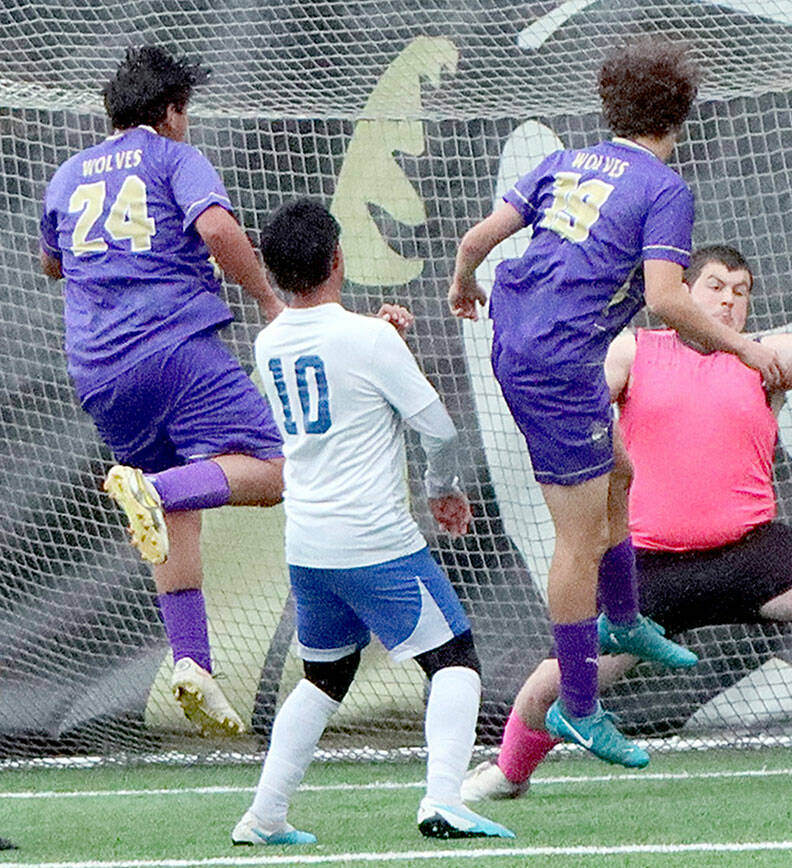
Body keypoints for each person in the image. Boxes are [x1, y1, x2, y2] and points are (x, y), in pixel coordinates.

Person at [461, 240, 792, 799]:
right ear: (683, 291)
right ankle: (509, 773)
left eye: (741, 292)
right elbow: (587, 389)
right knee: (553, 687)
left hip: (748, 551)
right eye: (715, 286)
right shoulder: (635, 351)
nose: (729, 300)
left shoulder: (762, 359)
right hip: (645, 568)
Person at [447, 39, 784, 769]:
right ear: (680, 118)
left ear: (610, 106)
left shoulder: (566, 161)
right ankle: (578, 704)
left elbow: (477, 238)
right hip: (558, 365)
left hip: (521, 335)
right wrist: (745, 348)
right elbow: (665, 298)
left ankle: (625, 618)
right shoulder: (664, 187)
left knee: (620, 476)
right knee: (576, 541)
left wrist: (463, 283)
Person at [232, 198, 513, 845]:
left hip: (308, 546)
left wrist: (384, 340)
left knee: (325, 676)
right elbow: (437, 428)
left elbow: (338, 381)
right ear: (337, 259)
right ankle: (443, 799)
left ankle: (265, 815)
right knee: (455, 661)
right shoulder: (368, 338)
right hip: (374, 540)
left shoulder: (270, 342)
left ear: (273, 273)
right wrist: (443, 489)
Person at [38, 45, 286, 737]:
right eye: (187, 113)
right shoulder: (173, 157)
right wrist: (266, 298)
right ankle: (155, 492)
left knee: (176, 508)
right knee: (276, 470)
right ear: (171, 112)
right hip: (172, 348)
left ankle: (191, 662)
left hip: (97, 371)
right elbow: (213, 227)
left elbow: (52, 262)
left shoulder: (66, 175)